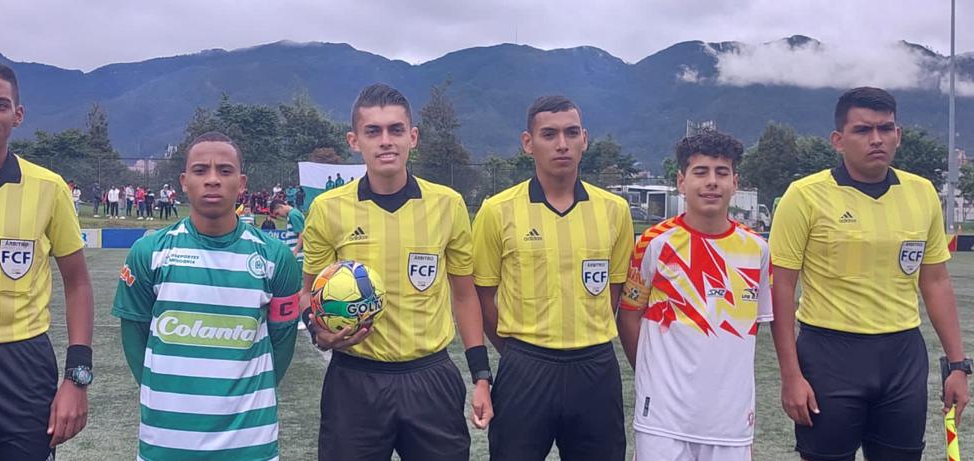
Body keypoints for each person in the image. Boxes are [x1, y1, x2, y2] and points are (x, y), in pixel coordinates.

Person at [769, 87, 971, 461]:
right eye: (863, 130)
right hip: (829, 354)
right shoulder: (804, 196)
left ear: (898, 135)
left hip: (902, 356)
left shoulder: (923, 193)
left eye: (885, 128)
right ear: (838, 140)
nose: (876, 139)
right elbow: (780, 288)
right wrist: (791, 375)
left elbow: (935, 281)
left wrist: (958, 365)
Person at [301, 83, 493, 461]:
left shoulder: (448, 205)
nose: (386, 141)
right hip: (354, 379)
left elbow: (464, 295)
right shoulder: (327, 208)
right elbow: (308, 292)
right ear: (354, 141)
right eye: (373, 131)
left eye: (396, 130)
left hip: (430, 377)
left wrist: (481, 375)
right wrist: (318, 332)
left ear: (413, 137)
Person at [112, 132, 302, 460]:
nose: (212, 179)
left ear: (241, 183)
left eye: (224, 171)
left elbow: (282, 343)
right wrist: (164, 397)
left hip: (249, 442)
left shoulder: (276, 257)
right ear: (184, 182)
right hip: (167, 441)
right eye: (200, 170)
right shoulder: (149, 253)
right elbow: (134, 337)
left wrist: (250, 399)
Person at [471, 95, 633, 461]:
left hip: (595, 367)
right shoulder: (497, 211)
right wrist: (517, 352)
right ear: (528, 143)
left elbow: (614, 289)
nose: (562, 144)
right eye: (549, 134)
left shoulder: (615, 211)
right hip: (525, 367)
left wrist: (585, 330)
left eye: (571, 133)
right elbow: (482, 296)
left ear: (584, 139)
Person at [0, 57, 94, 460]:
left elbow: (78, 283)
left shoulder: (49, 188)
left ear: (17, 115)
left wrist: (77, 377)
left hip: (21, 364)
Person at [617, 130, 771, 461]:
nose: (711, 182)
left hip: (730, 422)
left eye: (721, 172)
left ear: (735, 182)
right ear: (681, 181)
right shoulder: (653, 243)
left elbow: (753, 329)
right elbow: (628, 316)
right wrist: (650, 376)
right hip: (663, 419)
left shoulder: (757, 250)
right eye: (700, 172)